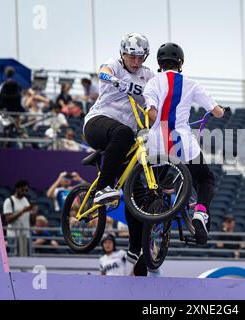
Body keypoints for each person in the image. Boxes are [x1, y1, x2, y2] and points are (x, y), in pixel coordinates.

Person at [143, 41, 225, 248]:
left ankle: (153, 217)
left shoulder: (152, 83)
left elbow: (151, 110)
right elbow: (216, 110)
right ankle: (200, 213)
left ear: (159, 63)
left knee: (157, 186)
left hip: (156, 143)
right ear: (181, 63)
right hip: (182, 144)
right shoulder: (190, 83)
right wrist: (219, 110)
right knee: (206, 179)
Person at [83, 32, 154, 206]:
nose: (137, 62)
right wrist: (116, 81)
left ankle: (140, 232)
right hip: (98, 122)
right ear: (123, 53)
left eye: (141, 57)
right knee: (124, 133)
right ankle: (103, 187)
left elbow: (154, 106)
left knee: (137, 192)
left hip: (125, 136)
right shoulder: (115, 64)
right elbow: (102, 72)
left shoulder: (148, 75)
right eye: (132, 57)